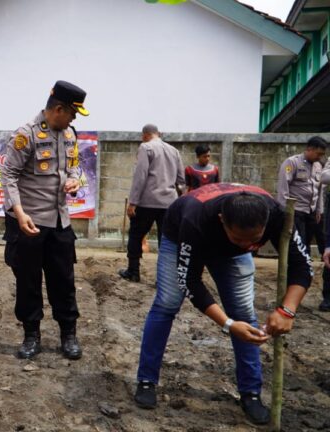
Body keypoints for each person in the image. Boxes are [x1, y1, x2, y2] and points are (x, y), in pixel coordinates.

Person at [133, 183, 313, 425]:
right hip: (180, 237)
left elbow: (302, 266)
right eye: (238, 238)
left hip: (231, 256)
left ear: (265, 223)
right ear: (222, 221)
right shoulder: (195, 219)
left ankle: (251, 393)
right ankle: (146, 380)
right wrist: (228, 324)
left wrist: (287, 311)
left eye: (254, 240)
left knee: (243, 312)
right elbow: (189, 281)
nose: (245, 244)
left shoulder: (278, 215)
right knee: (166, 304)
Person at [2, 80, 87, 360]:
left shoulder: (70, 134)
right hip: (29, 222)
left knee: (64, 280)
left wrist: (74, 180)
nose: (74, 119)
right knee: (28, 281)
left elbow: (74, 167)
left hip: (60, 222)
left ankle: (68, 334)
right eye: (72, 113)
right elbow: (8, 175)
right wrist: (19, 212)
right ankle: (31, 335)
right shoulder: (26, 135)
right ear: (59, 109)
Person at [118, 124, 184, 282]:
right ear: (158, 134)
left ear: (145, 135)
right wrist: (179, 201)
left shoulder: (145, 147)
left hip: (147, 202)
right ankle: (164, 278)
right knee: (166, 240)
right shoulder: (174, 151)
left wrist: (133, 202)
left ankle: (133, 272)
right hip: (169, 203)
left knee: (135, 235)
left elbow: (140, 176)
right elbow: (181, 180)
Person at [279, 136, 329, 312]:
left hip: (312, 214)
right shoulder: (292, 163)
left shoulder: (318, 166)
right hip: (296, 213)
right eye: (319, 153)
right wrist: (287, 215)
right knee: (298, 254)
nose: (320, 157)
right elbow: (283, 190)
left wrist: (319, 210)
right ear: (309, 149)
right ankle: (289, 295)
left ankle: (299, 293)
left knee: (313, 251)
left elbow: (319, 190)